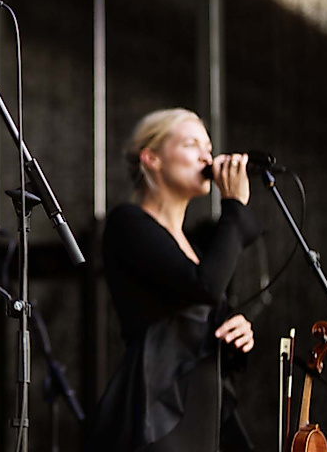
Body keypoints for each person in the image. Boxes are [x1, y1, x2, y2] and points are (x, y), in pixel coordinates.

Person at [88, 108, 262, 451]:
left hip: (207, 408)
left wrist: (237, 332)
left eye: (208, 147)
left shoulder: (194, 248)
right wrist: (234, 208)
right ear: (151, 158)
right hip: (160, 408)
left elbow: (204, 313)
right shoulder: (127, 223)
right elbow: (204, 287)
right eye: (191, 144)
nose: (206, 157)